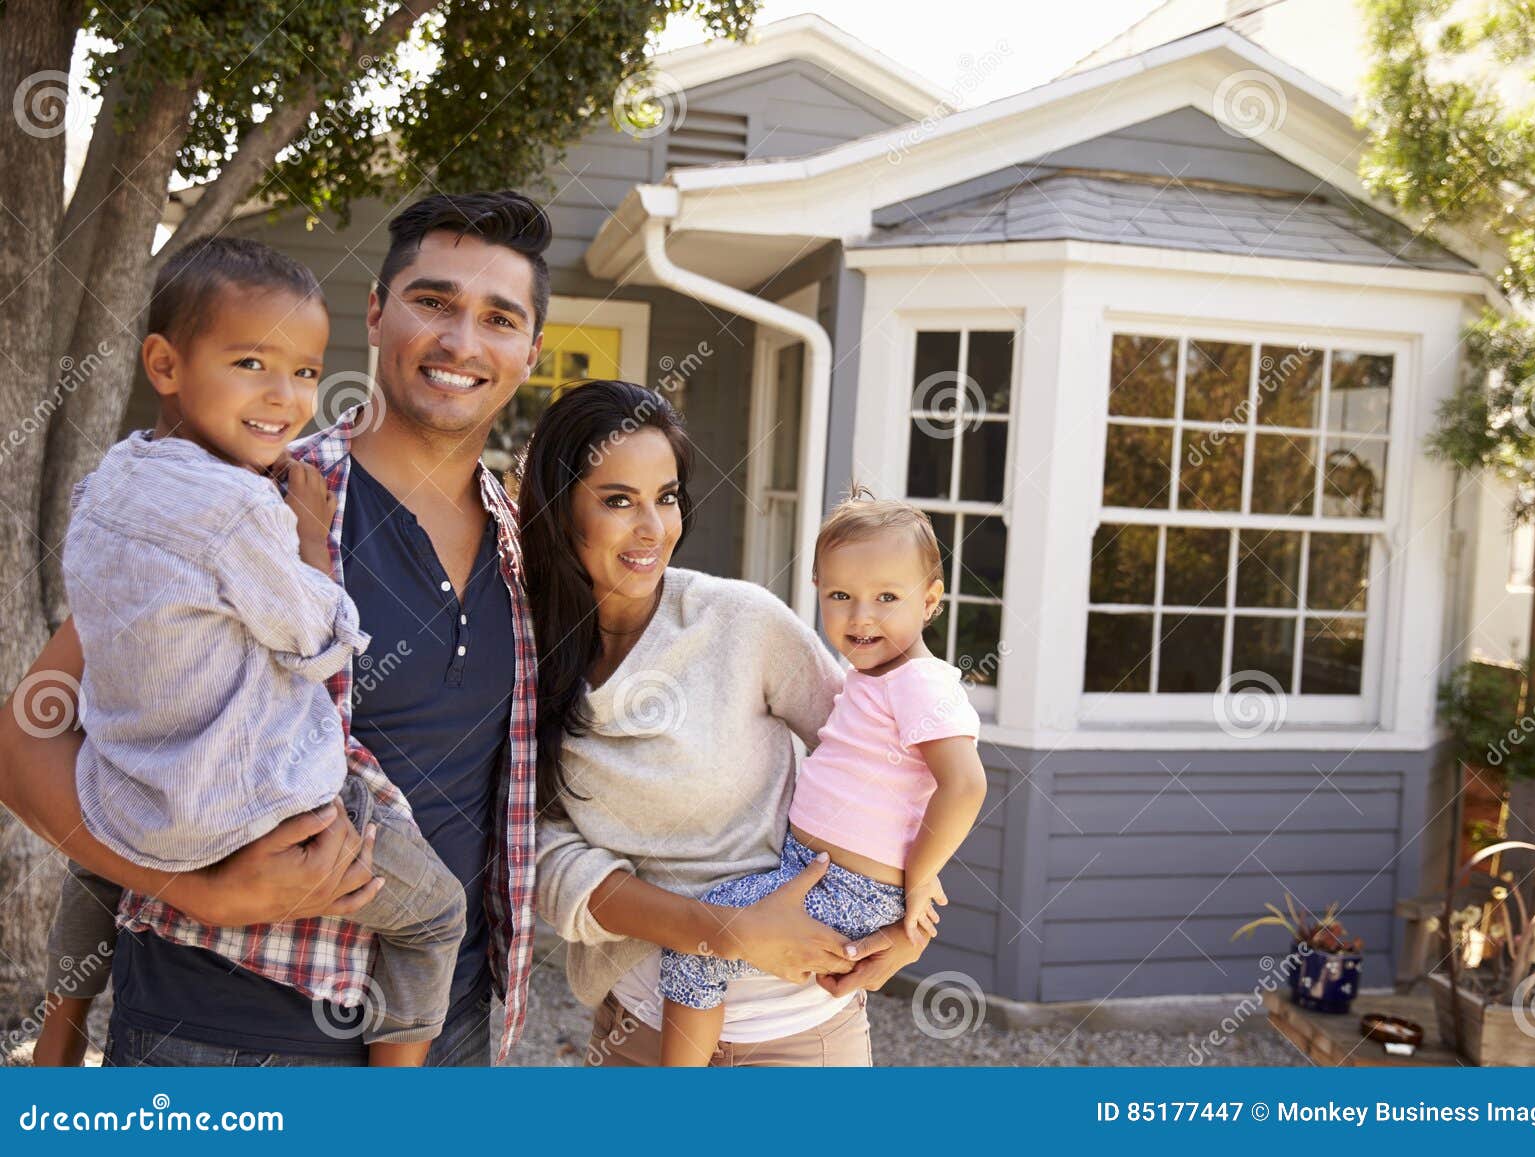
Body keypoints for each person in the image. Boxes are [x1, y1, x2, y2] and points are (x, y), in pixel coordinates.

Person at [0, 189, 547, 1066]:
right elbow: (27, 740)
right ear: (377, 313)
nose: (461, 341)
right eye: (433, 301)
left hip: (450, 1030)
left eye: (499, 318)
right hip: (219, 1039)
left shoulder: (524, 549)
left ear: (531, 350)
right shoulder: (250, 496)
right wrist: (193, 889)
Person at [524, 381, 942, 1067]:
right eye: (618, 500)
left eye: (666, 497)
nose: (652, 529)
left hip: (802, 1033)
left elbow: (891, 761)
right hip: (642, 1032)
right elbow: (540, 855)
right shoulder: (523, 657)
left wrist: (911, 916)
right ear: (560, 506)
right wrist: (720, 930)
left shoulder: (743, 622)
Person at [655, 488, 988, 1064]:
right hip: (815, 871)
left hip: (850, 889)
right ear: (817, 591)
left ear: (931, 600)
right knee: (710, 928)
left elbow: (965, 785)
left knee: (698, 940)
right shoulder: (875, 677)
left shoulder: (919, 682)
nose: (861, 616)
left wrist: (920, 878)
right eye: (840, 596)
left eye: (887, 597)